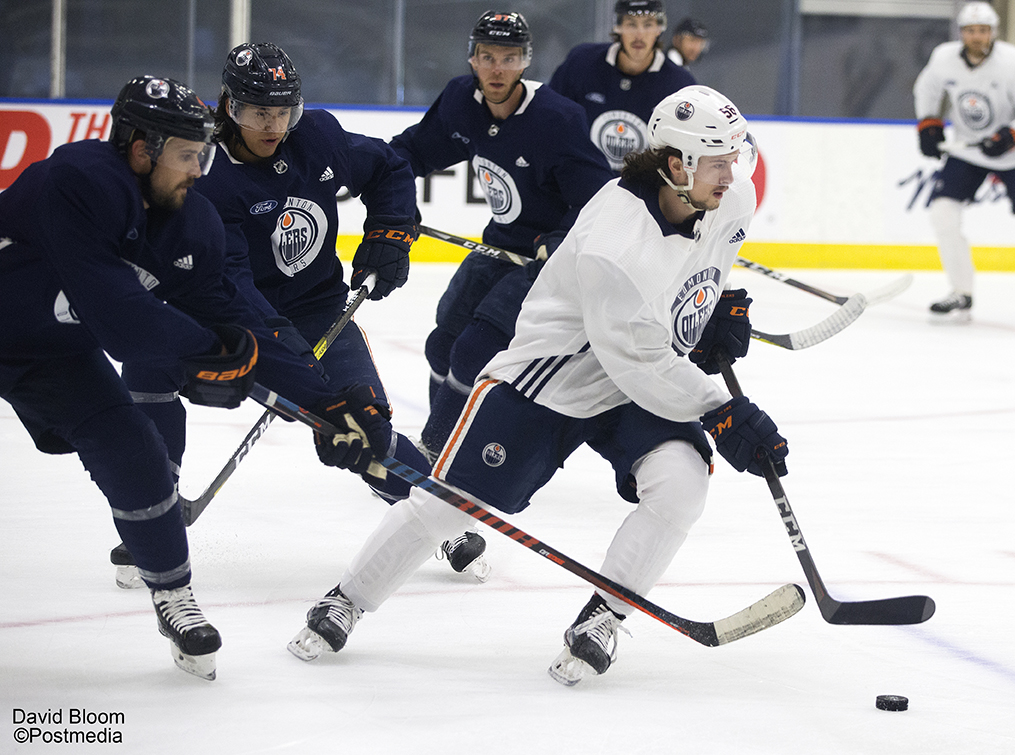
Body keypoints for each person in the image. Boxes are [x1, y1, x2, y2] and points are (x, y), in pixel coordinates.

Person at [288, 85, 790, 688]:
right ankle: (349, 597)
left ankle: (604, 617)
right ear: (676, 164)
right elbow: (638, 359)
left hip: (635, 383)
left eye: (736, 157)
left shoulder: (729, 198)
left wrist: (714, 308)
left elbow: (695, 274)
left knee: (681, 487)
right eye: (719, 160)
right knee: (450, 505)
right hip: (548, 382)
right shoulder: (615, 241)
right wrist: (721, 410)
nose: (734, 173)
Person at [109, 44, 454, 585]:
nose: (272, 127)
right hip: (228, 316)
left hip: (318, 310)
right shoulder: (207, 177)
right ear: (228, 107)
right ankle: (155, 516)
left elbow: (389, 167)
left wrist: (390, 231)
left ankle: (439, 511)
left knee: (364, 423)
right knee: (150, 372)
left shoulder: (315, 137)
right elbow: (236, 289)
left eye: (282, 112)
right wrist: (288, 357)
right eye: (256, 113)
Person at [0, 76, 263, 680]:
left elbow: (222, 314)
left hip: (52, 355)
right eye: (188, 155)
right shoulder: (80, 180)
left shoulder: (191, 221)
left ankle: (173, 592)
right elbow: (121, 321)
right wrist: (204, 350)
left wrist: (316, 393)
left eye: (206, 155)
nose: (201, 170)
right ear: (140, 148)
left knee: (135, 449)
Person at [388, 12, 614, 481]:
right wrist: (394, 198)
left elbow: (596, 201)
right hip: (499, 247)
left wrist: (557, 240)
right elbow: (411, 152)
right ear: (473, 58)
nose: (496, 69)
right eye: (487, 57)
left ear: (525, 62)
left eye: (509, 59)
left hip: (544, 264)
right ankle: (439, 445)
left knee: (473, 353)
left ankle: (436, 459)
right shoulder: (460, 101)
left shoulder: (557, 119)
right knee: (441, 345)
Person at [914, 1, 1015, 320]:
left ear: (993, 32)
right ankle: (962, 291)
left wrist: (1011, 134)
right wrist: (928, 122)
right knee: (943, 213)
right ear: (962, 33)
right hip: (967, 150)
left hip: (1013, 154)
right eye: (971, 31)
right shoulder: (944, 58)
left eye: (983, 30)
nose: (977, 37)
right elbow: (926, 88)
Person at [549, 0, 695, 170]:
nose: (639, 35)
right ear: (618, 26)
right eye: (631, 24)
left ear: (659, 29)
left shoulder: (680, 85)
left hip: (644, 194)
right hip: (584, 188)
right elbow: (551, 121)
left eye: (648, 25)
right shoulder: (581, 62)